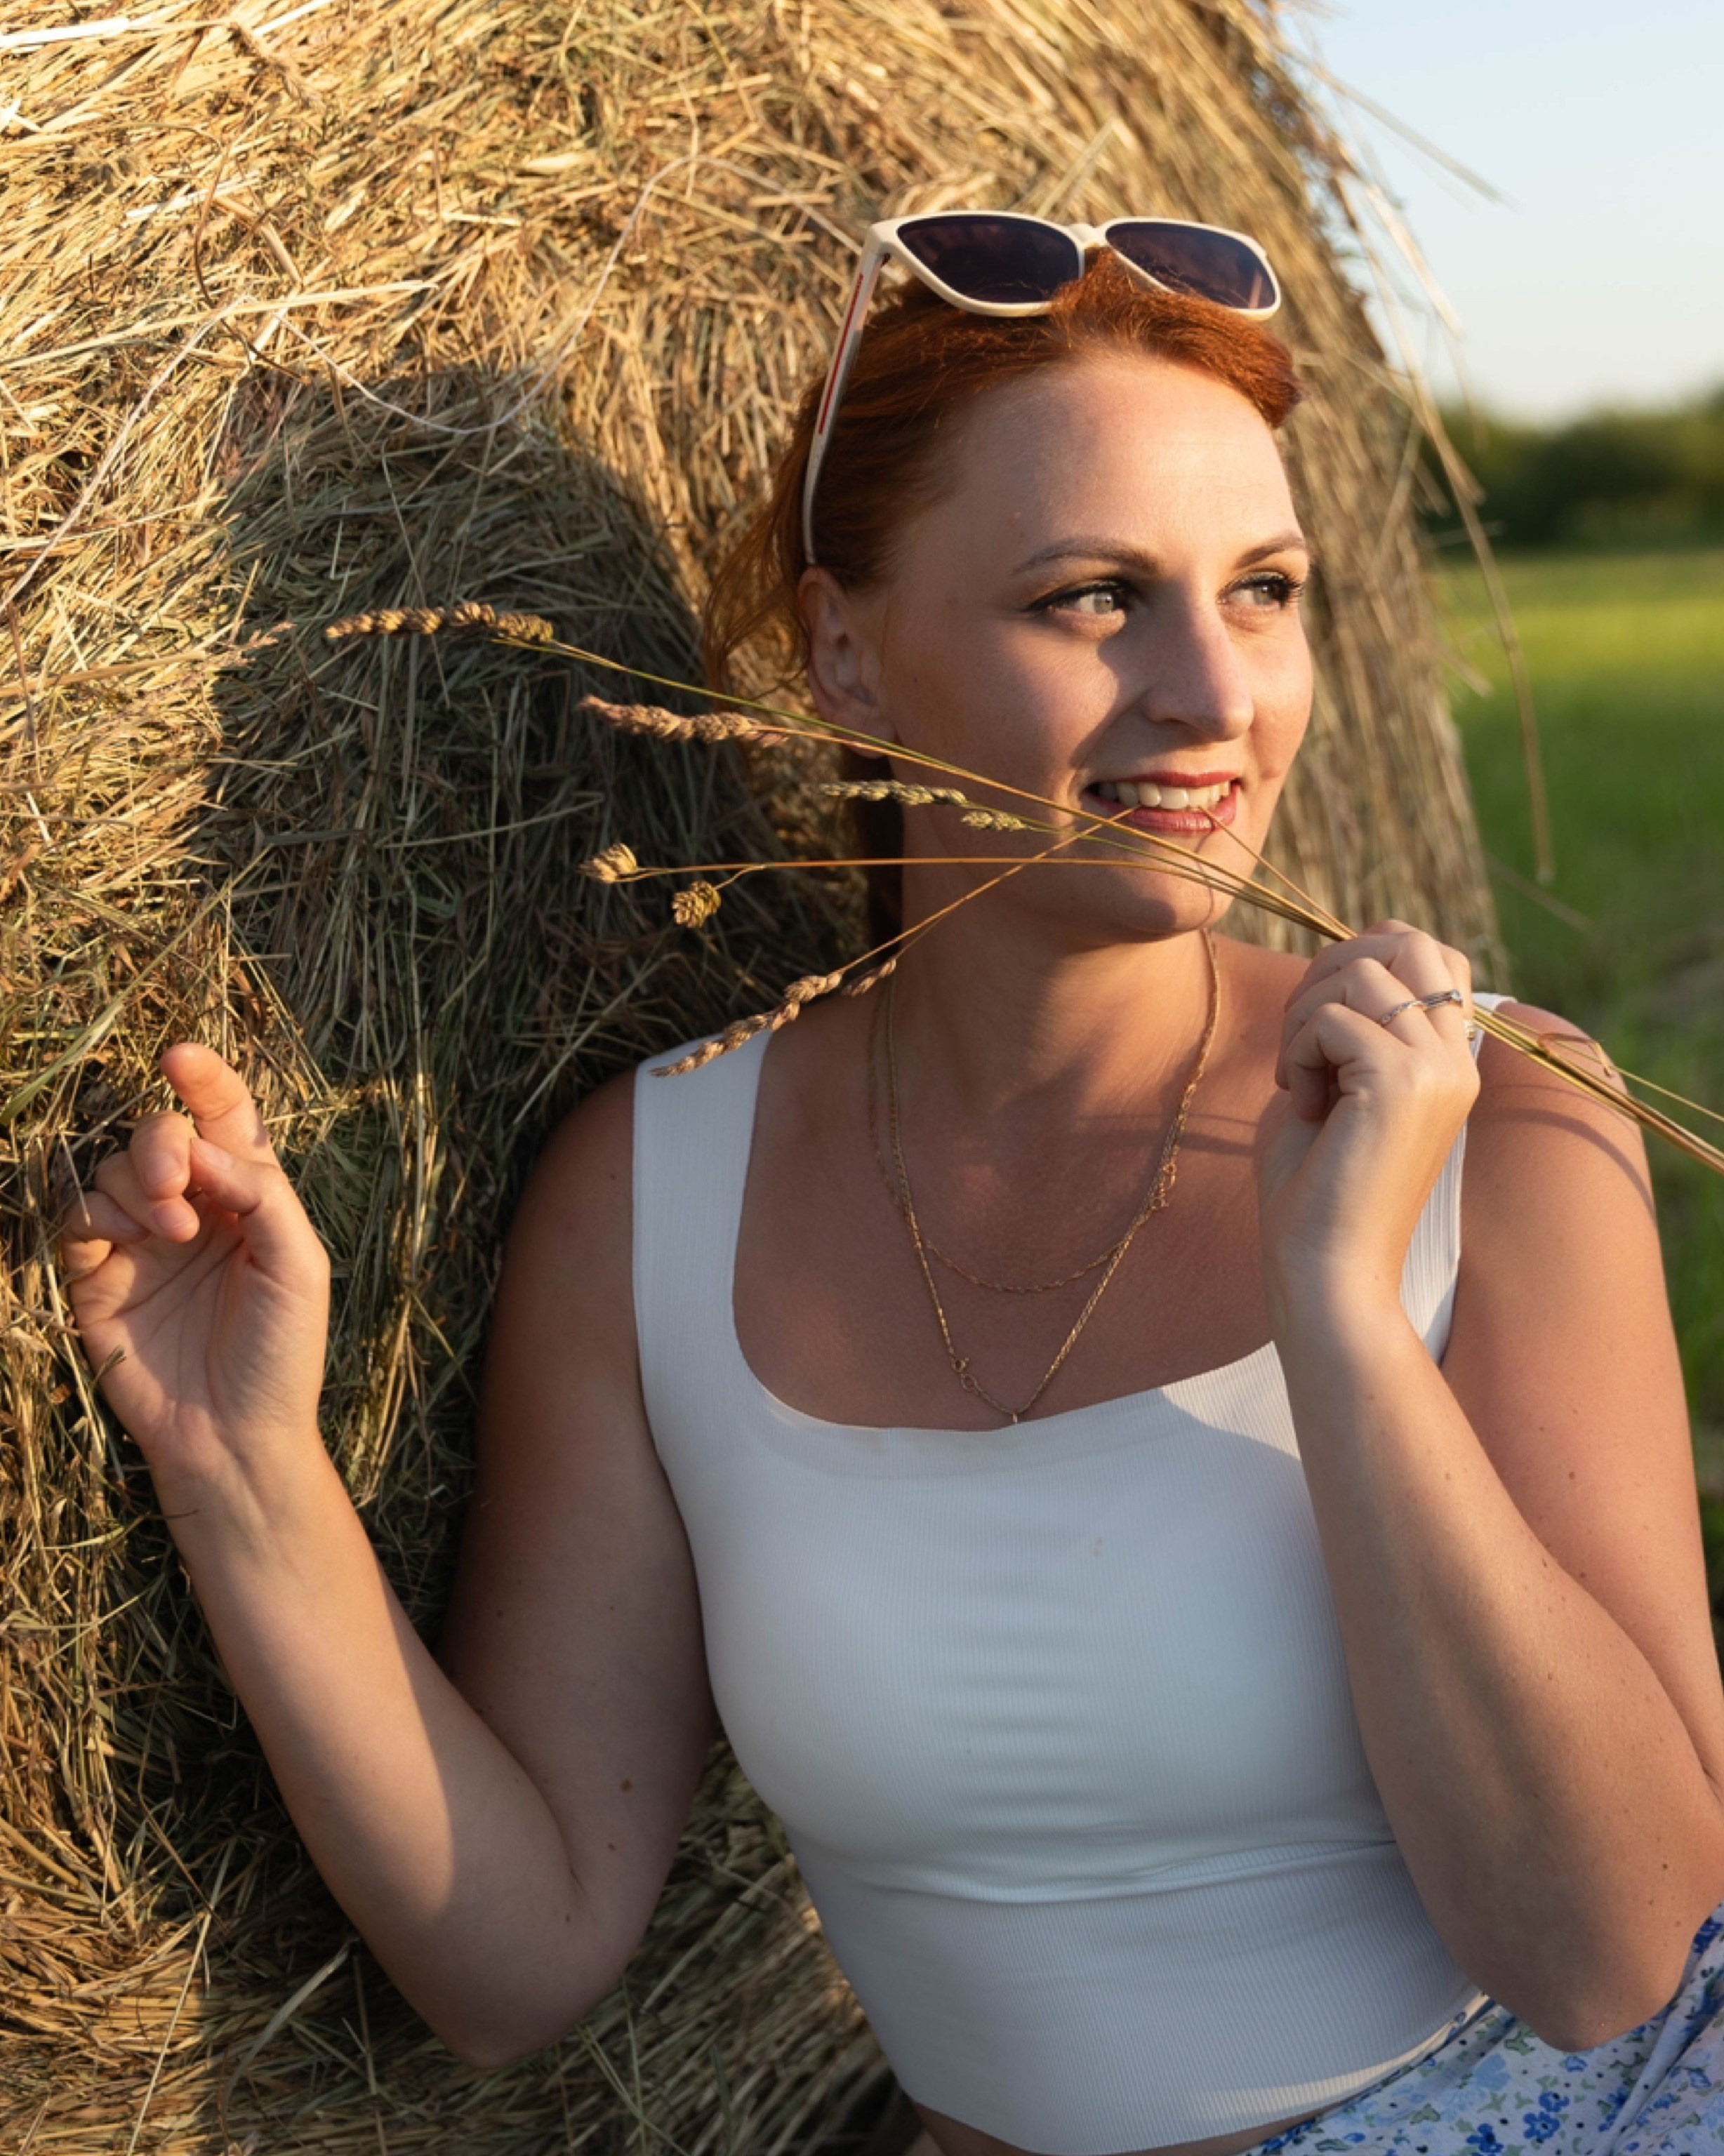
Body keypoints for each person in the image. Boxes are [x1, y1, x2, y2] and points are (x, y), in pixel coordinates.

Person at [60, 217, 1724, 2156]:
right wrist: (241, 1464)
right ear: (849, 648)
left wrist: (1345, 1319)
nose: (1215, 691)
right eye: (1095, 598)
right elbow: (516, 1959)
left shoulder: (1497, 1128)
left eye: (1263, 590)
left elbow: (1617, 1953)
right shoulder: (649, 1196)